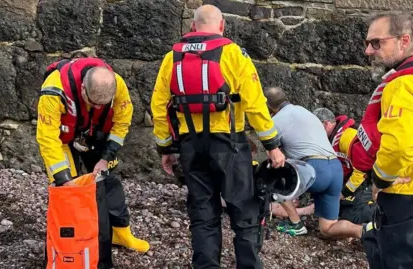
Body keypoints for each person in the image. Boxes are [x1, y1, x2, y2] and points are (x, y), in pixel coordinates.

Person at [150, 4, 285, 269]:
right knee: (244, 213)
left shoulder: (171, 58)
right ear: (222, 26)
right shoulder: (234, 54)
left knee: (203, 214)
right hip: (229, 145)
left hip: (191, 147)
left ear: (192, 26)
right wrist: (272, 146)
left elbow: (158, 107)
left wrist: (166, 148)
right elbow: (255, 103)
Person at [36, 57, 150, 253]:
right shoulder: (54, 90)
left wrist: (106, 157)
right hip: (62, 139)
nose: (98, 108)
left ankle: (121, 232)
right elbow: (47, 138)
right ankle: (71, 241)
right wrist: (63, 178)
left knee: (109, 182)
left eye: (103, 104)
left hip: (95, 135)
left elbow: (122, 122)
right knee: (67, 190)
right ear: (82, 89)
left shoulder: (117, 85)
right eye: (93, 102)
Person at [360, 12, 413, 268]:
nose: (369, 50)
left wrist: (380, 179)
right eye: (368, 43)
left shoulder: (403, 84)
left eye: (377, 42)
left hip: (408, 192)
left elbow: (399, 147)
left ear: (404, 40)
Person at [265, 87, 363, 239]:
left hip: (314, 169)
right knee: (327, 228)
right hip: (335, 168)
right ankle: (364, 231)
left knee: (274, 177)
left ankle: (295, 223)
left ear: (268, 106)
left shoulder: (273, 122)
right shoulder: (306, 112)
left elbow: (275, 157)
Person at [312, 107, 376, 224]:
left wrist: (343, 193)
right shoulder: (332, 138)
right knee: (333, 209)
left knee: (350, 216)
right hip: (352, 180)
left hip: (368, 180)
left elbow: (362, 170)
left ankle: (379, 214)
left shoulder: (347, 137)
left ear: (326, 124)